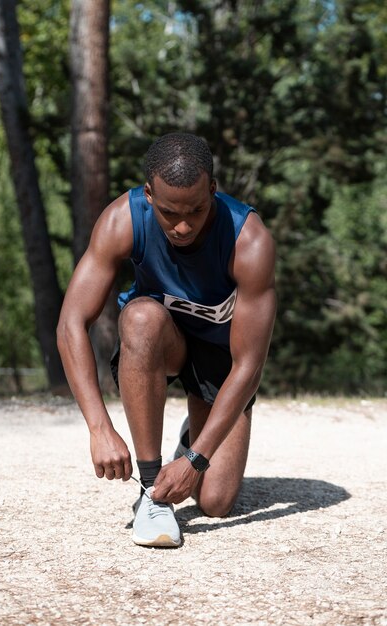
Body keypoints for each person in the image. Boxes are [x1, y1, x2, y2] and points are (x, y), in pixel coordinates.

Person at [57, 133, 276, 548]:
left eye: (195, 210)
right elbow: (71, 322)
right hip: (162, 339)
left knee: (215, 501)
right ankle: (151, 489)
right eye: (169, 211)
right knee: (140, 317)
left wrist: (196, 460)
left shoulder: (249, 240)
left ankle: (189, 440)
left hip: (221, 354)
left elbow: (249, 365)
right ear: (148, 194)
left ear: (213, 188)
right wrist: (99, 428)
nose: (182, 225)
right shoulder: (123, 219)